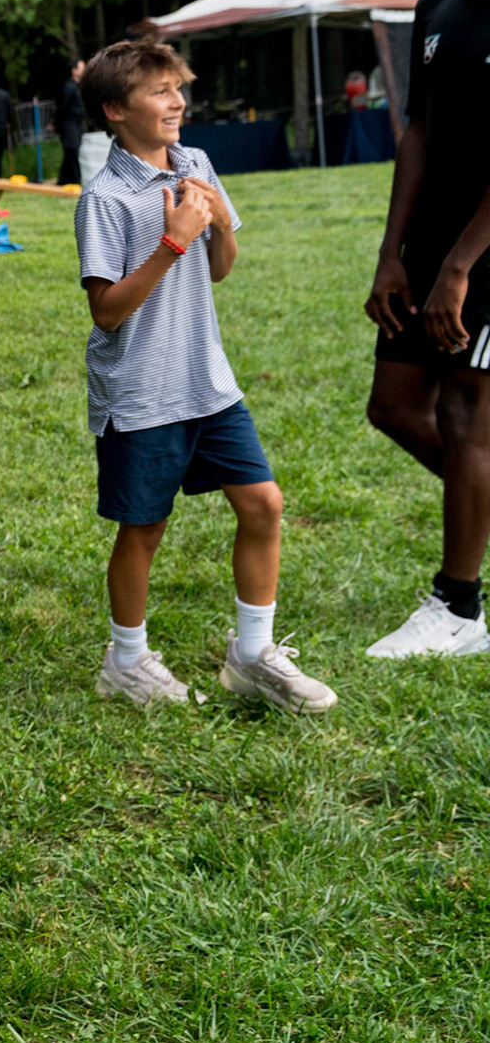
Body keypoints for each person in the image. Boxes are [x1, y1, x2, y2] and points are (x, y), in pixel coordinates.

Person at [72, 41, 337, 713]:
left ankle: (251, 655)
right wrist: (173, 241)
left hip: (208, 382)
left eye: (177, 88)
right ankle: (125, 662)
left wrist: (217, 225)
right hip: (140, 390)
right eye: (160, 90)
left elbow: (220, 267)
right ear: (114, 109)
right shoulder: (104, 197)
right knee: (145, 528)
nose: (177, 102)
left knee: (264, 504)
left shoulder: (196, 163)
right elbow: (106, 313)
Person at [363, 0, 490, 659]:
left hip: (486, 250)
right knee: (394, 405)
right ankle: (472, 527)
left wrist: (460, 266)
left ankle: (459, 609)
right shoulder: (437, 5)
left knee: (466, 413)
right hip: (430, 241)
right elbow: (417, 132)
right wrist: (395, 252)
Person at [56, 57, 87, 186]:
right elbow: (62, 107)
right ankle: (74, 179)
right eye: (81, 67)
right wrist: (57, 124)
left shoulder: (79, 86)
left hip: (76, 123)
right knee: (72, 149)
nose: (84, 70)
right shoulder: (69, 87)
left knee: (71, 151)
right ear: (74, 70)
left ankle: (63, 180)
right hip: (69, 123)